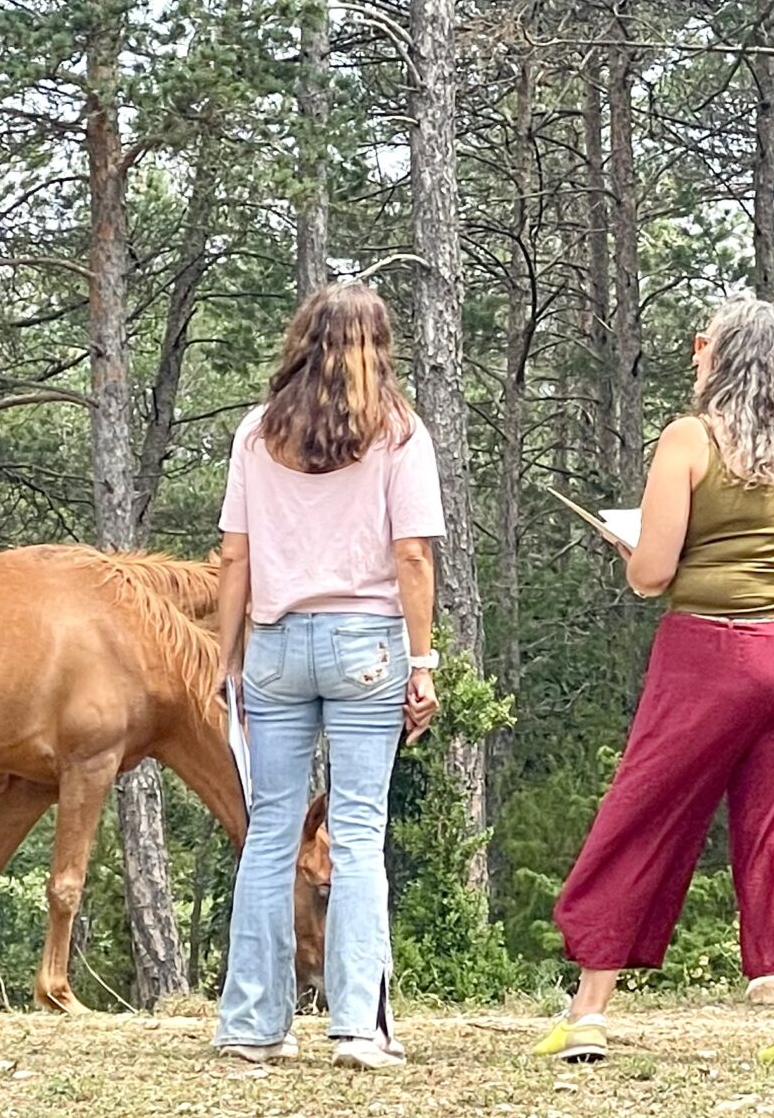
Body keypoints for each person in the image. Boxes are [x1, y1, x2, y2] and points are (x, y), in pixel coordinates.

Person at [533, 297, 774, 1067]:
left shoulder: (690, 439)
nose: (694, 353)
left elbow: (651, 575)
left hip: (714, 654)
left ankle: (588, 1014)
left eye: (704, 344)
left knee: (645, 812)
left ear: (724, 356)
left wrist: (634, 550)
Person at [212, 281, 443, 1071]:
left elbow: (234, 556)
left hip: (276, 643)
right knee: (359, 833)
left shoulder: (256, 434)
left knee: (270, 835)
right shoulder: (399, 433)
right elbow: (412, 554)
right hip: (367, 644)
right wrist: (423, 660)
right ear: (380, 348)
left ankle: (252, 1025)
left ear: (301, 342)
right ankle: (356, 1028)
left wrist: (228, 659)